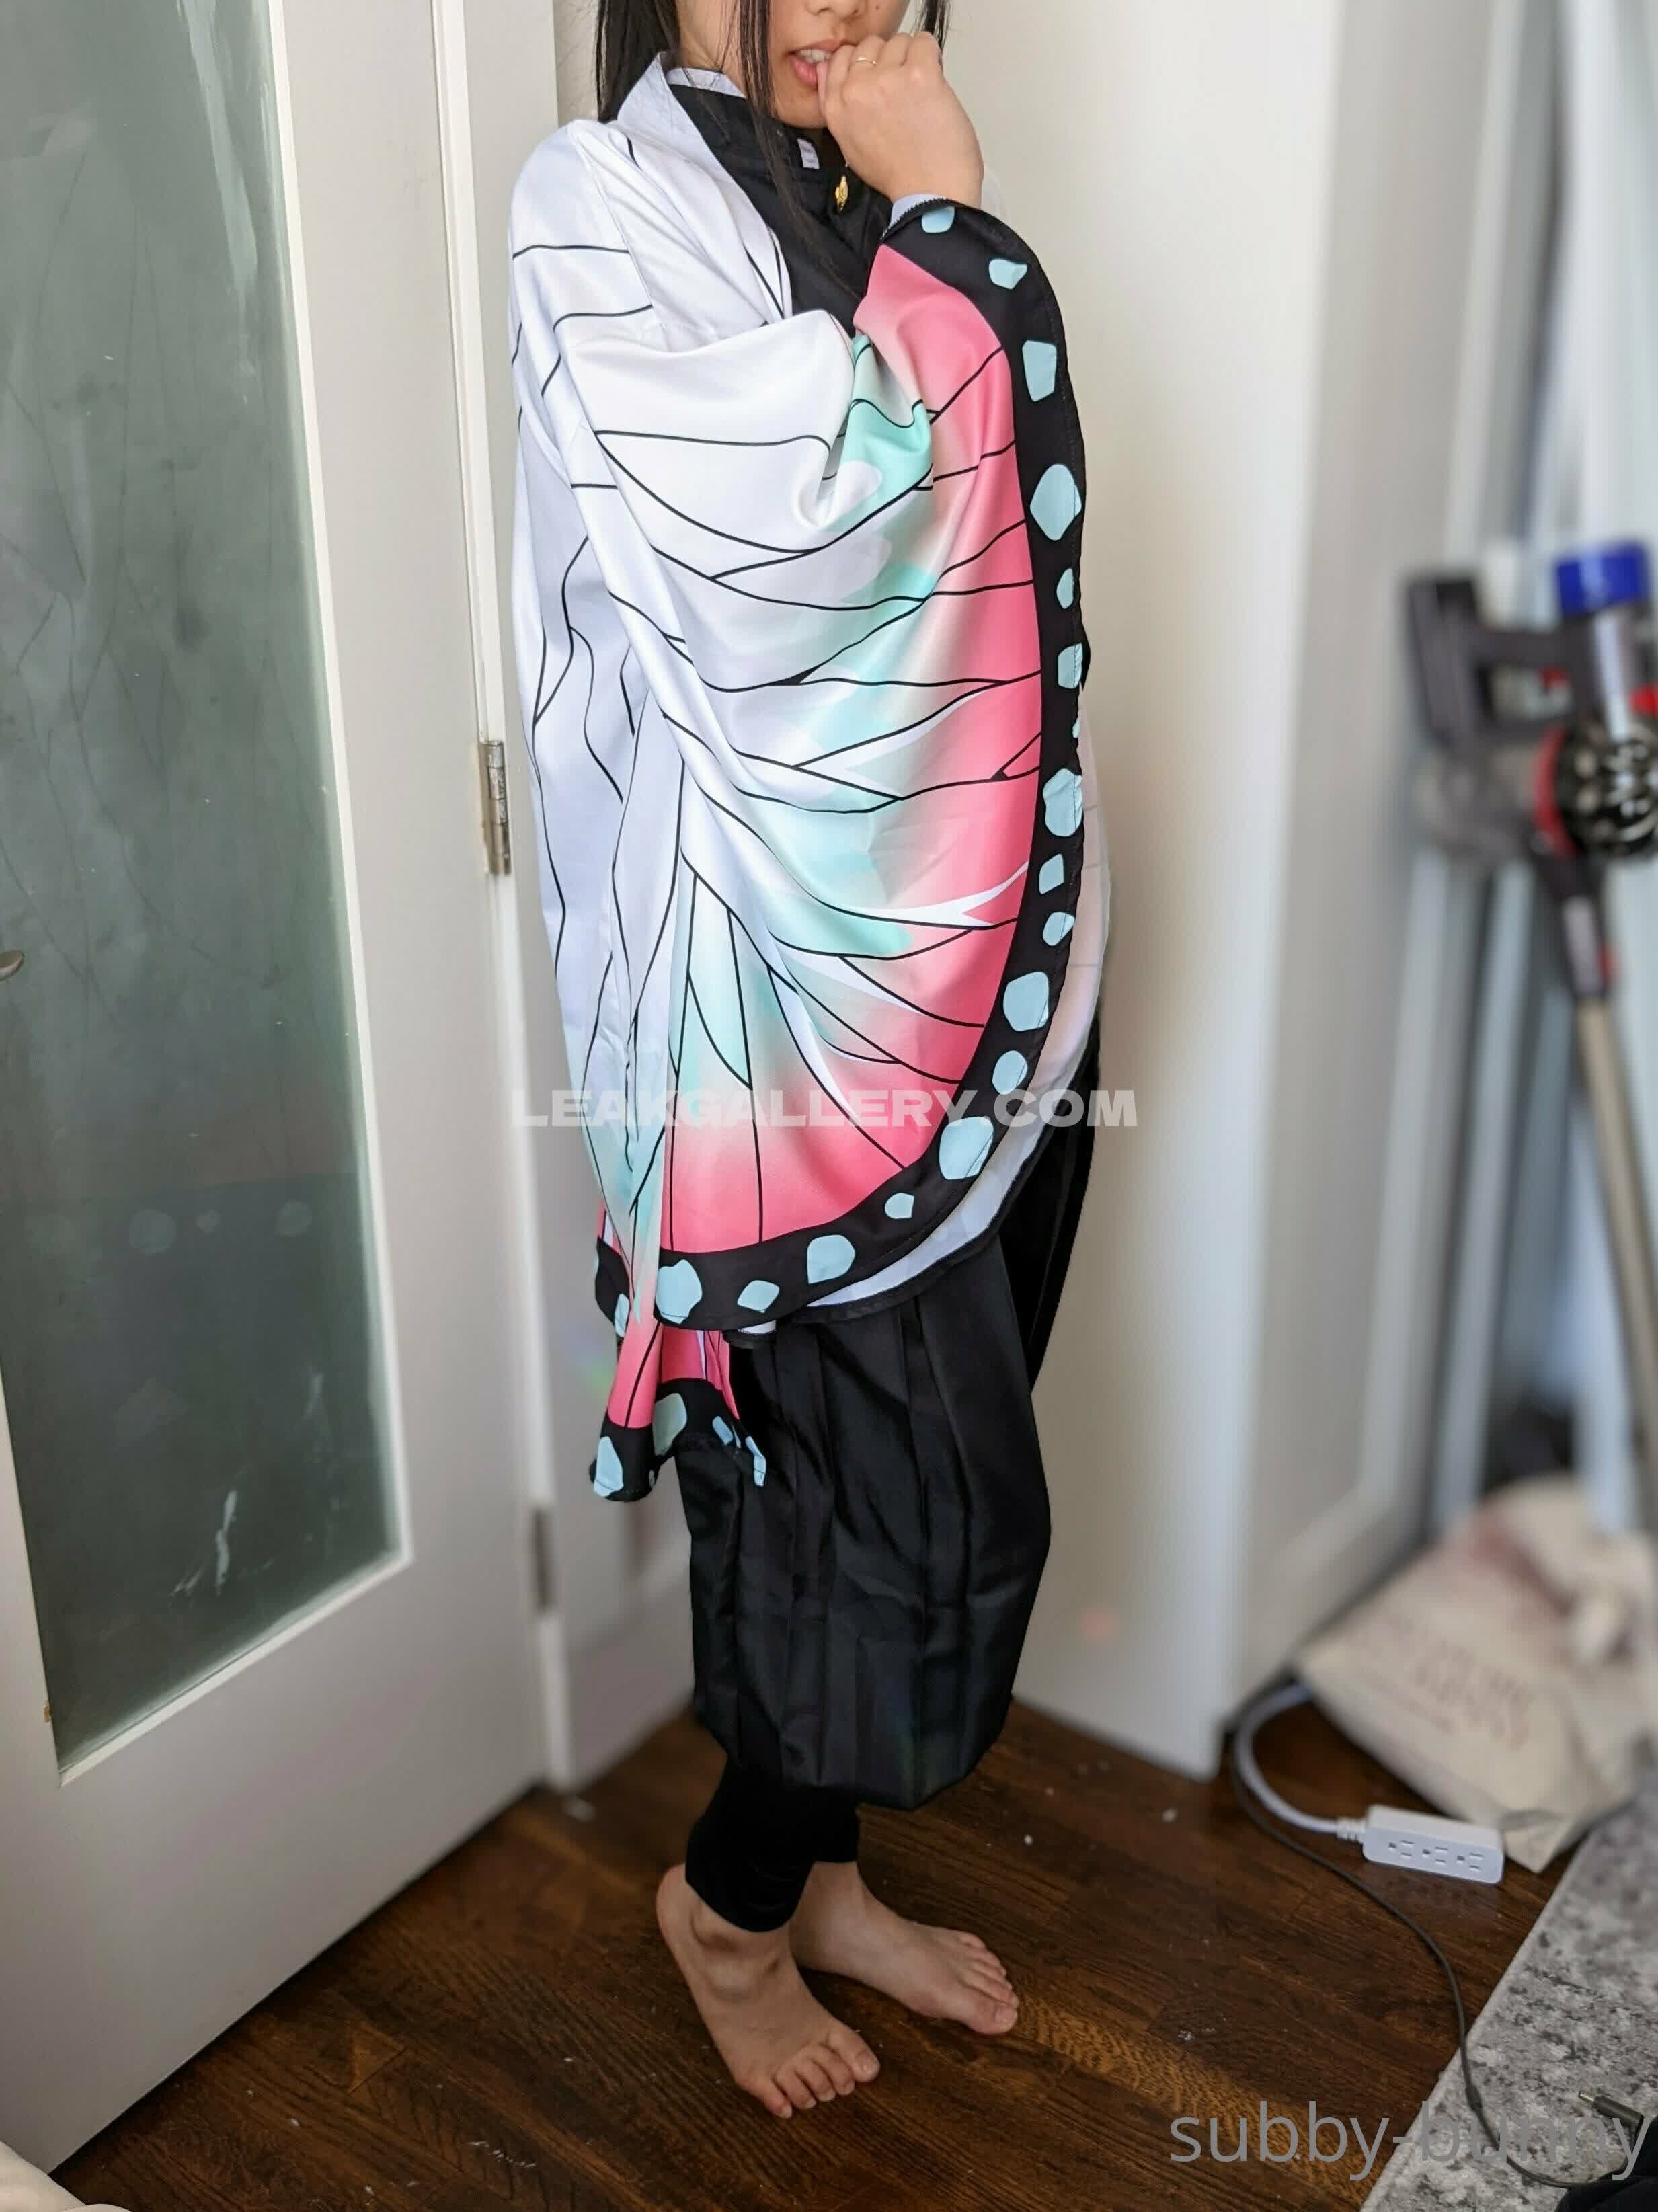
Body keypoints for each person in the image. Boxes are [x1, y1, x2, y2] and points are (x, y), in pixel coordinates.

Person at [508, 0, 1107, 2121]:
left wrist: (915, 215)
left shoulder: (855, 176)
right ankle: (733, 1910)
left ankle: (820, 1875)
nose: (834, 5)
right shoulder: (597, 203)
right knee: (881, 1533)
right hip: (779, 1045)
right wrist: (948, 220)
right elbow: (785, 558)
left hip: (991, 995)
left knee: (874, 1493)